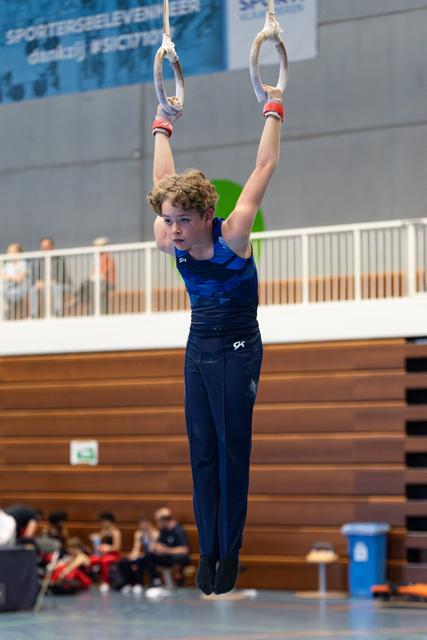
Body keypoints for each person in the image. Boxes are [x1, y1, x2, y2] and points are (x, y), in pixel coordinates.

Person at [147, 86, 284, 594]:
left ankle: (229, 553)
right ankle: (208, 553)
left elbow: (264, 167)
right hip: (198, 348)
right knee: (201, 453)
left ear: (207, 215)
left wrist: (274, 109)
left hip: (238, 349)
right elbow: (164, 182)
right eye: (169, 220)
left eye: (184, 220)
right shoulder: (169, 236)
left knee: (231, 452)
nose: (175, 230)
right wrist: (162, 125)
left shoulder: (234, 234)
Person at [144, 508, 190, 588]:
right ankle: (155, 582)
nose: (157, 524)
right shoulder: (163, 530)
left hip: (175, 558)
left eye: (158, 521)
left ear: (164, 520)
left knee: (181, 558)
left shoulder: (178, 530)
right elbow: (159, 544)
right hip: (166, 557)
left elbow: (184, 550)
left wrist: (167, 550)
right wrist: (156, 547)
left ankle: (179, 582)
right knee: (149, 556)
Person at [29, 236, 71, 318]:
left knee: (57, 288)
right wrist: (38, 282)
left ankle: (57, 313)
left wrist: (51, 282)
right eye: (43, 246)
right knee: (33, 289)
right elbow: (34, 276)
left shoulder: (59, 259)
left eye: (47, 246)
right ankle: (33, 314)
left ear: (52, 246)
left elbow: (61, 276)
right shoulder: (38, 261)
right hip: (44, 285)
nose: (45, 248)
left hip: (59, 284)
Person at [117, 514, 159, 594]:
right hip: (143, 555)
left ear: (149, 524)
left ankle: (139, 583)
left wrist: (150, 535)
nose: (143, 526)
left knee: (141, 561)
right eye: (141, 524)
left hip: (153, 556)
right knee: (125, 562)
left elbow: (152, 549)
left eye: (145, 524)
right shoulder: (138, 534)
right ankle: (128, 583)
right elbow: (136, 548)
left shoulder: (155, 533)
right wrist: (133, 555)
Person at [79, 237, 116, 315]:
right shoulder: (98, 258)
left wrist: (95, 276)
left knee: (94, 290)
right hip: (97, 282)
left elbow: (105, 272)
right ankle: (90, 309)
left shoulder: (107, 258)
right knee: (86, 285)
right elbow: (93, 273)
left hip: (106, 282)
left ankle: (97, 312)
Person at [89, 511, 122, 592]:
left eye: (104, 522)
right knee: (92, 560)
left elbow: (117, 547)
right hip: (103, 554)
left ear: (109, 522)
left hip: (113, 554)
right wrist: (95, 537)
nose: (102, 524)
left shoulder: (116, 532)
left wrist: (108, 548)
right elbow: (98, 540)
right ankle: (94, 580)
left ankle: (105, 582)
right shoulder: (103, 531)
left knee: (105, 561)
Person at [2, 243, 28, 320]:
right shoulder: (7, 264)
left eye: (11, 251)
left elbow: (20, 278)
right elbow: (3, 277)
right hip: (7, 289)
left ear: (18, 252)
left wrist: (9, 277)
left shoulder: (23, 263)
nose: (8, 253)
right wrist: (13, 277)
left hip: (21, 289)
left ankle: (24, 317)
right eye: (8, 251)